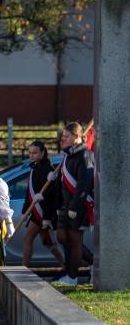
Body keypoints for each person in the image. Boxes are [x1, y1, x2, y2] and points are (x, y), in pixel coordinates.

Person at [54, 122, 94, 286]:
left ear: (77, 137)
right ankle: (93, 263)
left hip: (79, 206)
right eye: (62, 137)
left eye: (66, 137)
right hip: (66, 205)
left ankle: (72, 277)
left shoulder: (85, 156)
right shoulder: (68, 156)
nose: (62, 140)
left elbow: (84, 184)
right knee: (62, 237)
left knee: (75, 241)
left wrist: (74, 208)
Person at [21, 140, 65, 268]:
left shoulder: (48, 170)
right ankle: (65, 266)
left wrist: (46, 217)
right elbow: (30, 191)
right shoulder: (34, 167)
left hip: (43, 212)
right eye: (30, 153)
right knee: (48, 243)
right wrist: (25, 209)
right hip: (36, 211)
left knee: (28, 238)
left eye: (35, 153)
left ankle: (24, 269)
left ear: (42, 153)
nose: (32, 155)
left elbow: (52, 196)